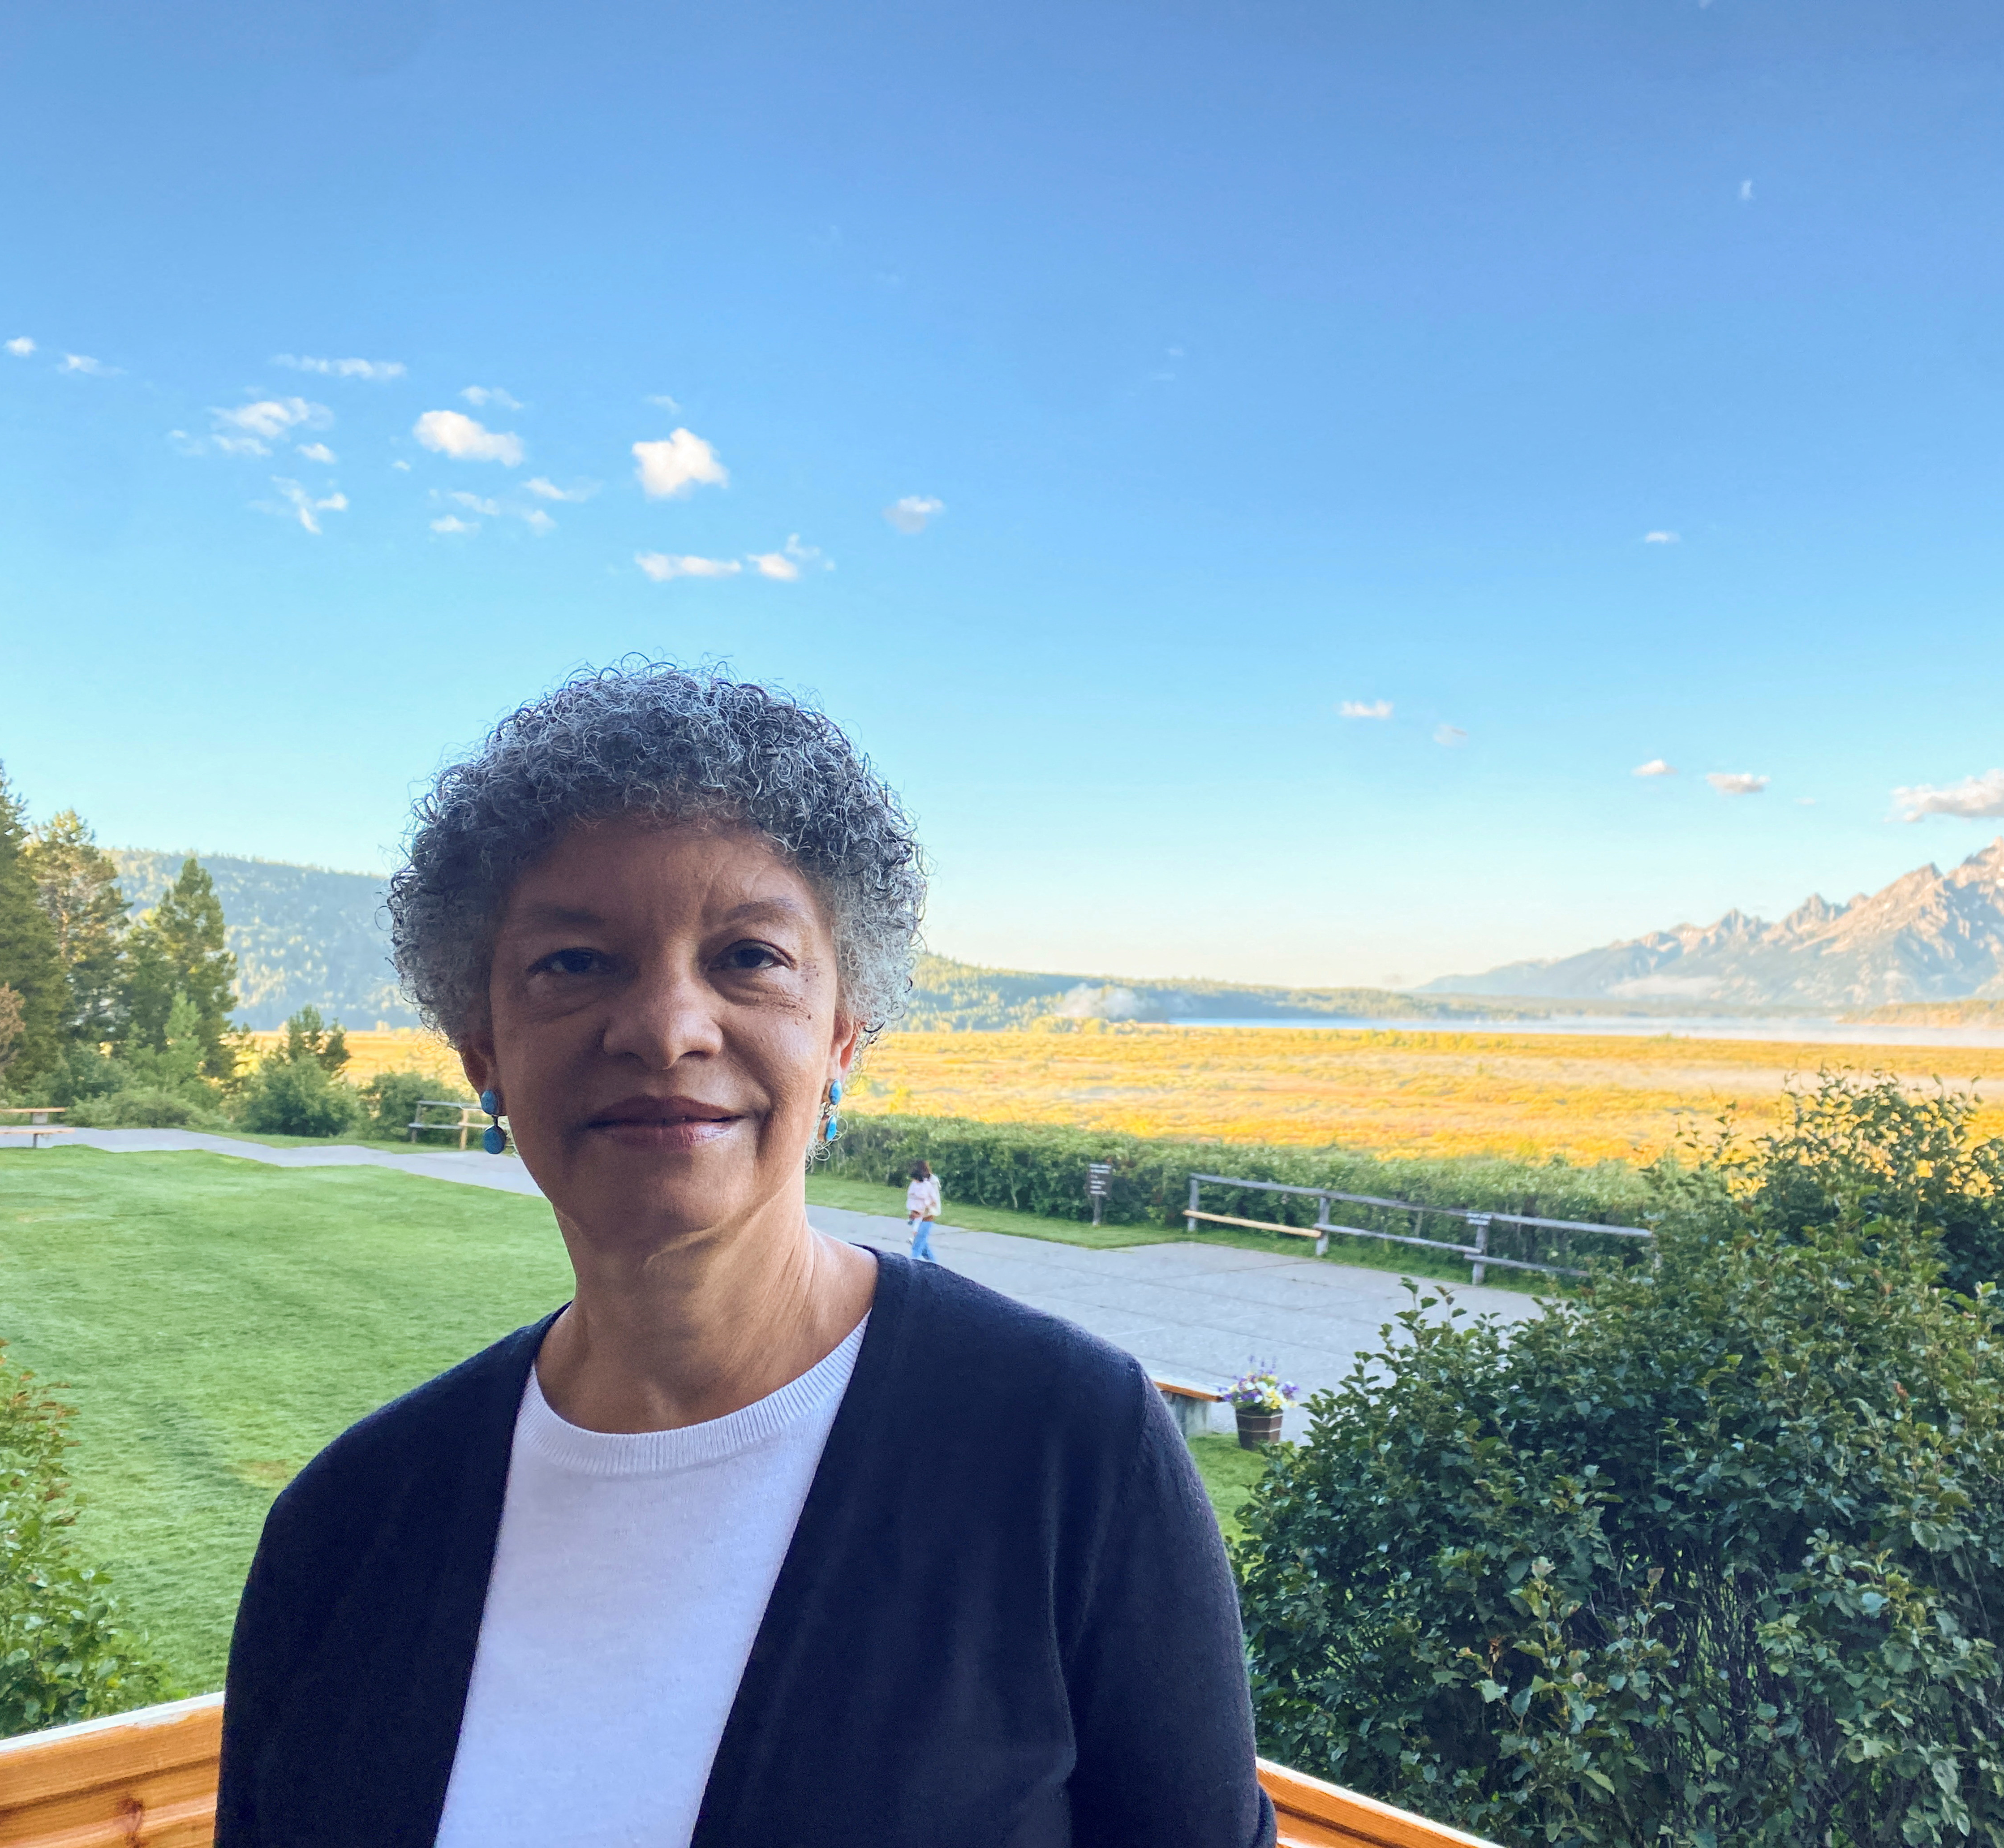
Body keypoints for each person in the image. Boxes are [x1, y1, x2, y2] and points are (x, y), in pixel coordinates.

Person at [215, 665, 1271, 1848]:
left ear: (839, 1038)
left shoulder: (1071, 1452)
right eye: (574, 960)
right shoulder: (348, 1525)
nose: (666, 1025)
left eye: (749, 956)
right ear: (483, 1052)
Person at [904, 1158, 941, 1261]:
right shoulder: (916, 1183)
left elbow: (933, 1201)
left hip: (927, 1217)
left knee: (917, 1246)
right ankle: (935, 1265)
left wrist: (920, 1211)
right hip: (916, 1215)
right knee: (922, 1244)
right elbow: (912, 1197)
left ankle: (913, 1264)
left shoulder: (932, 1182)